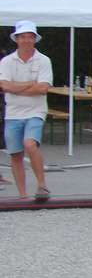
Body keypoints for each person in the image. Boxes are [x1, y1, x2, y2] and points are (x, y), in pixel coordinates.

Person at [0, 20, 53, 200]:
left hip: (36, 111)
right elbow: (4, 86)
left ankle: (42, 185)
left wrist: (16, 87)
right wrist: (30, 84)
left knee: (30, 144)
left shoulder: (44, 60)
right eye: (23, 37)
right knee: (15, 154)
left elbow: (43, 88)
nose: (26, 40)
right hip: (13, 113)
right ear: (17, 39)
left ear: (35, 39)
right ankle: (23, 195)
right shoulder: (7, 61)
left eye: (30, 37)